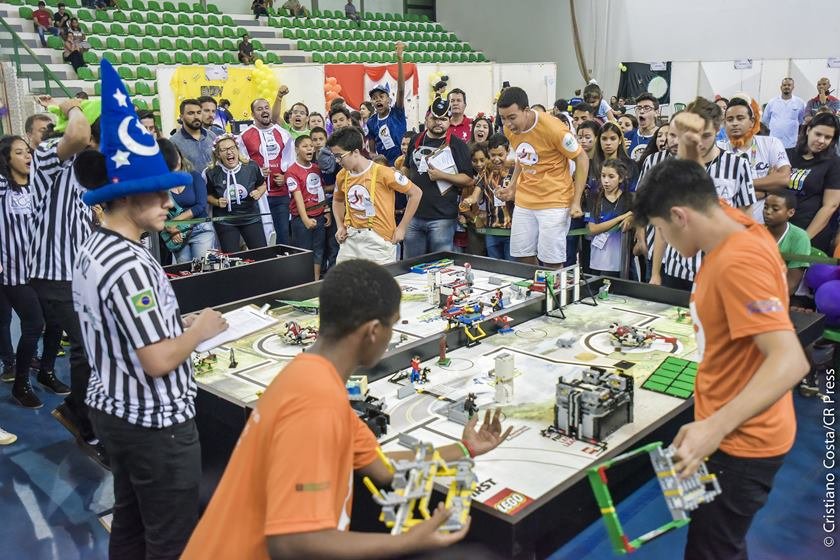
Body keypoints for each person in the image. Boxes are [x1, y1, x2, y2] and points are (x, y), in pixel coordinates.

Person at [181, 259, 512, 559]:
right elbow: (291, 543)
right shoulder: (316, 403)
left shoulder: (311, 377)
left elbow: (381, 468)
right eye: (392, 325)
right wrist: (406, 542)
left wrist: (465, 449)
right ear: (373, 331)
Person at [73, 61, 229, 559]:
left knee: (132, 521)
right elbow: (158, 361)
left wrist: (171, 325)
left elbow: (122, 326)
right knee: (171, 536)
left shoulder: (94, 247)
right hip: (154, 423)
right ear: (126, 194)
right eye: (159, 193)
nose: (170, 201)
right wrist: (198, 329)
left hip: (114, 412)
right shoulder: (131, 263)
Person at [632, 140, 809, 559]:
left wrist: (713, 427)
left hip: (741, 444)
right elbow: (694, 186)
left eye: (662, 229)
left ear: (680, 217)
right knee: (718, 542)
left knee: (712, 550)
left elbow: (790, 361)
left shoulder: (737, 261)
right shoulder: (731, 222)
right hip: (730, 428)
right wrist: (689, 147)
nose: (665, 241)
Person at [27, 96, 106, 462]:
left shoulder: (85, 172)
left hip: (77, 273)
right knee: (90, 347)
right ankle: (87, 426)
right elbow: (74, 134)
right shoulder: (49, 158)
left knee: (86, 348)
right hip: (53, 274)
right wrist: (70, 105)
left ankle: (79, 409)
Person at [644, 98, 756, 290]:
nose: (700, 142)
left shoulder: (738, 165)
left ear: (718, 129)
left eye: (706, 135)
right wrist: (655, 273)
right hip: (676, 269)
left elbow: (746, 220)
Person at [0, 136, 66, 408]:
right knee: (33, 324)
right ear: (6, 158)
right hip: (12, 272)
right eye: (19, 153)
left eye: (28, 152)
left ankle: (46, 371)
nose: (27, 157)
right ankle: (20, 384)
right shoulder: (2, 186)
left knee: (56, 321)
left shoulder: (37, 187)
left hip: (40, 269)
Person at [496, 86, 589, 267]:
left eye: (512, 117)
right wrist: (512, 186)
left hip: (554, 201)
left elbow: (582, 158)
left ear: (526, 111)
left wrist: (576, 200)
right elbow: (522, 157)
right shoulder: (509, 129)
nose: (507, 124)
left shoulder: (554, 129)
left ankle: (552, 295)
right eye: (503, 118)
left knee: (551, 261)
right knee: (522, 256)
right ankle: (534, 293)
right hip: (524, 200)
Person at [329, 127, 422, 265]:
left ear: (355, 152)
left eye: (339, 156)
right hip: (351, 239)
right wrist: (340, 226)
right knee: (343, 283)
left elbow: (416, 193)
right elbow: (337, 200)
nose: (337, 161)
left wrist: (402, 227)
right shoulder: (342, 175)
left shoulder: (384, 173)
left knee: (378, 285)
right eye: (334, 156)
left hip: (378, 241)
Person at [403, 97, 474, 258]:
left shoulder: (458, 145)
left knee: (440, 267)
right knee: (410, 266)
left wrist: (442, 175)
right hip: (413, 214)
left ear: (449, 121)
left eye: (443, 119)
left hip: (442, 218)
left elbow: (468, 179)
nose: (438, 122)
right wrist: (401, 178)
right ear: (427, 118)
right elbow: (407, 167)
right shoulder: (415, 140)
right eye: (434, 118)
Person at [719, 94, 791, 223]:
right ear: (724, 124)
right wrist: (765, 189)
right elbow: (718, 192)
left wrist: (739, 184)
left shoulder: (771, 143)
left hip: (764, 227)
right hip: (728, 226)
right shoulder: (719, 149)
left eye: (740, 118)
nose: (734, 123)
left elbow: (784, 179)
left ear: (752, 122)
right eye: (730, 119)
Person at [238, 89, 296, 246]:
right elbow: (241, 165)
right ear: (252, 114)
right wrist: (255, 172)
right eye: (259, 108)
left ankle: (285, 267)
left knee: (283, 236)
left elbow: (292, 163)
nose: (264, 111)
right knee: (262, 239)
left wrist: (286, 178)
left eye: (266, 107)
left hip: (281, 195)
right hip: (258, 196)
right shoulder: (244, 136)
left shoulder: (284, 134)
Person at [785, 112, 840, 253]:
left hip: (811, 233)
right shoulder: (786, 154)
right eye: (818, 134)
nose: (822, 140)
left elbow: (830, 206)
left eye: (828, 137)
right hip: (780, 228)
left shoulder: (834, 163)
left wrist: (804, 238)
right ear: (808, 130)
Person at [206, 134, 269, 253]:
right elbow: (208, 196)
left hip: (250, 217)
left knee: (262, 254)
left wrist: (259, 192)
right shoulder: (212, 172)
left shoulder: (251, 166)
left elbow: (262, 184)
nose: (229, 152)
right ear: (218, 154)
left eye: (232, 148)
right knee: (231, 258)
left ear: (237, 149)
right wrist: (217, 202)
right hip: (225, 221)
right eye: (224, 150)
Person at [159, 140, 216, 264]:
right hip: (176, 234)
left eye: (177, 156)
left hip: (201, 229)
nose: (176, 161)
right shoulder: (161, 184)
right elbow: (158, 211)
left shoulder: (194, 176)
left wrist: (174, 222)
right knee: (184, 272)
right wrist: (170, 229)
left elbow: (200, 206)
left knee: (203, 269)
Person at [460, 133, 515, 260]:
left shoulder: (514, 171)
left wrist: (509, 196)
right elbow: (475, 195)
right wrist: (468, 201)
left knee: (510, 268)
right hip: (491, 231)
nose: (496, 159)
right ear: (488, 153)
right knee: (494, 267)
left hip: (512, 230)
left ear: (508, 151)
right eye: (493, 155)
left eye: (500, 155)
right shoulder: (485, 173)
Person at [287, 135, 328, 279]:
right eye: (305, 146)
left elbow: (320, 190)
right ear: (297, 149)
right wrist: (305, 219)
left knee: (319, 250)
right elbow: (297, 197)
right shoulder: (292, 171)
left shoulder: (317, 168)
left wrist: (326, 211)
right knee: (304, 252)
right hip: (301, 218)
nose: (310, 148)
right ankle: (303, 282)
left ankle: (315, 281)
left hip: (319, 215)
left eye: (311, 145)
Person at [585, 159, 633, 277]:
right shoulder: (594, 198)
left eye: (611, 176)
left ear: (620, 178)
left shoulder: (629, 199)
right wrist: (621, 217)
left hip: (621, 260)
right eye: (603, 176)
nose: (606, 181)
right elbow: (592, 229)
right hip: (597, 260)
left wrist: (631, 217)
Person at [763, 190, 811, 294]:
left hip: (787, 296)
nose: (768, 212)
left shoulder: (800, 237)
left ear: (791, 212)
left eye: (775, 209)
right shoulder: (754, 232)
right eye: (765, 207)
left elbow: (791, 284)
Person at [367, 42, 407, 165]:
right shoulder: (371, 122)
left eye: (381, 96)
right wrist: (377, 160)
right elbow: (372, 151)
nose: (378, 99)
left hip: (403, 162)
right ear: (372, 102)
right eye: (374, 98)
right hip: (385, 166)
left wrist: (399, 59)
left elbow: (400, 89)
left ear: (389, 100)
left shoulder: (397, 113)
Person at [170, 98, 217, 172]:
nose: (196, 117)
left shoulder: (212, 136)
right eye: (191, 113)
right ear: (181, 117)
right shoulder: (174, 142)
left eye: (199, 113)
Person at [593, 121, 639, 191]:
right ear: (599, 140)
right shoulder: (592, 164)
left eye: (613, 139)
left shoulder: (631, 165)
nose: (608, 143)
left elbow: (633, 192)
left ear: (620, 140)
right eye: (604, 139)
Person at [762, 77, 806, 149]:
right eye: (784, 85)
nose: (786, 87)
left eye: (789, 85)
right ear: (781, 87)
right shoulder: (772, 102)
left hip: (791, 144)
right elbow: (765, 120)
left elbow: (802, 120)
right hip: (773, 143)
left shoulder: (800, 103)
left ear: (793, 87)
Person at [625, 92, 659, 161]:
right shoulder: (628, 136)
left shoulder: (661, 137)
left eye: (647, 108)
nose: (642, 111)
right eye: (639, 108)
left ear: (656, 112)